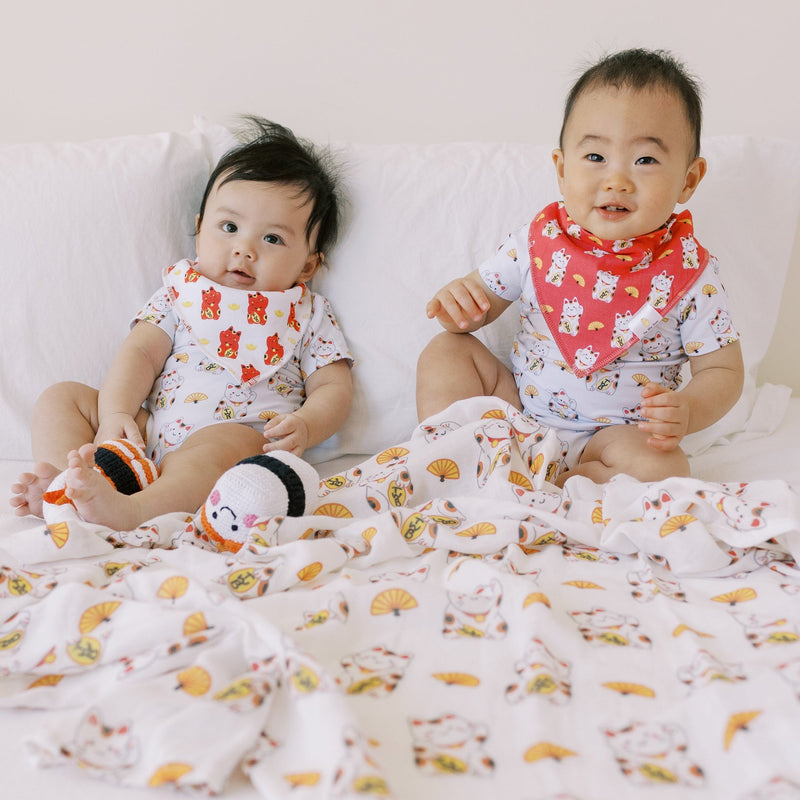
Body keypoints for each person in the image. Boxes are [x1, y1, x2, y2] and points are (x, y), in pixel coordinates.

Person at [416, 49, 744, 486]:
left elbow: (722, 371)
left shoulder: (689, 275)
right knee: (446, 351)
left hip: (614, 439)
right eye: (595, 158)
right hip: (516, 416)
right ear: (562, 168)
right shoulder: (536, 243)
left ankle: (566, 481)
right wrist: (462, 303)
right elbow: (481, 303)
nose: (617, 180)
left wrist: (688, 410)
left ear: (688, 180)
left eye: (645, 160)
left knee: (664, 467)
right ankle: (457, 458)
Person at [10, 117, 353, 528]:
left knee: (222, 449)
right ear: (198, 229)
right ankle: (70, 485)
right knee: (61, 398)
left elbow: (333, 387)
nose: (243, 249)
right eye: (229, 227)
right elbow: (140, 351)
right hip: (146, 430)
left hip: (236, 431)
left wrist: (306, 425)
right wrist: (117, 411)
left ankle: (132, 511)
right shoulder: (181, 290)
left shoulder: (309, 313)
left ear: (308, 264)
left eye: (273, 239)